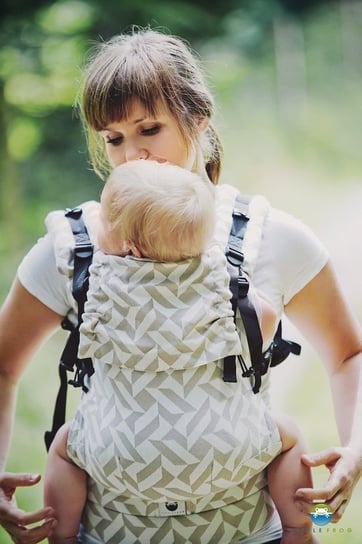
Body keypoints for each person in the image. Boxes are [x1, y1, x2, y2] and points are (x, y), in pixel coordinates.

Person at [0, 26, 361, 544]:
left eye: (150, 129)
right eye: (115, 138)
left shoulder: (267, 238)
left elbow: (349, 356)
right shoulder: (75, 248)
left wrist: (356, 448)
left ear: (198, 119)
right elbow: (4, 365)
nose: (133, 157)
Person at [42, 159, 316, 544]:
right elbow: (265, 321)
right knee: (288, 435)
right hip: (225, 449)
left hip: (120, 454)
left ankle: (63, 537)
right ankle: (301, 528)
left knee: (63, 448)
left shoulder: (100, 287)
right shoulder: (223, 281)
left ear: (128, 246)